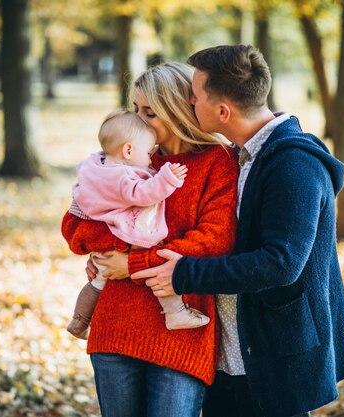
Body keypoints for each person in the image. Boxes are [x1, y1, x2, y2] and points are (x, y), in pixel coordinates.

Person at [132, 45, 344, 417]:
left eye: (195, 96)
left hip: (271, 359)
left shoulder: (293, 164)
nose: (188, 102)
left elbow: (281, 263)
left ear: (222, 111)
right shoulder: (242, 156)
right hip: (231, 355)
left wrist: (185, 273)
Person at [61, 62, 239, 417]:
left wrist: (132, 262)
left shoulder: (217, 162)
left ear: (178, 108)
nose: (138, 121)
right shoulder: (125, 158)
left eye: (150, 112)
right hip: (116, 324)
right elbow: (74, 224)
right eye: (135, 109)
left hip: (181, 332)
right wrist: (108, 247)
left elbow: (214, 241)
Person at [65, 109, 211, 340]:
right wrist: (166, 178)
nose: (151, 157)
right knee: (158, 267)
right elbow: (143, 194)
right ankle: (175, 312)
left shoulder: (95, 168)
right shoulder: (122, 177)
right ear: (128, 150)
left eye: (149, 112)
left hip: (105, 247)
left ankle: (79, 321)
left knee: (96, 283)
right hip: (127, 235)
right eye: (147, 151)